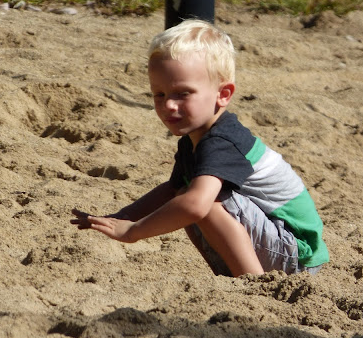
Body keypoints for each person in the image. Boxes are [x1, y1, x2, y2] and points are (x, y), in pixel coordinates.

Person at [71, 19, 329, 277]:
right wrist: (123, 217)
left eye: (182, 93)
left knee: (200, 201)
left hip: (297, 252)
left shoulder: (223, 141)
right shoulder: (194, 139)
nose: (168, 105)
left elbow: (195, 205)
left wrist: (133, 231)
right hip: (276, 242)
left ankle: (254, 282)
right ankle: (233, 276)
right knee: (184, 193)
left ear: (223, 94)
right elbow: (171, 191)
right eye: (159, 94)